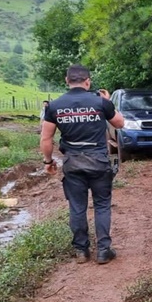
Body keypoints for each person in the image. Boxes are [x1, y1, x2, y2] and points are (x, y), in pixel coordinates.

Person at [40, 65, 125, 264]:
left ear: (66, 80)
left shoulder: (54, 106)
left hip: (73, 163)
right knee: (102, 205)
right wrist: (108, 101)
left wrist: (48, 161)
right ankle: (103, 250)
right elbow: (120, 123)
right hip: (98, 162)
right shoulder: (100, 102)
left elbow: (46, 139)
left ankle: (81, 251)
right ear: (88, 81)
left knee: (77, 207)